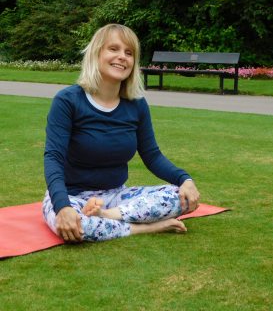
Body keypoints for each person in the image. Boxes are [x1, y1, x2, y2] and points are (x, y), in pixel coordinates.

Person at [43, 23, 200, 243]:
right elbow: (54, 158)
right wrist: (62, 207)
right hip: (73, 197)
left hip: (117, 199)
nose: (122, 57)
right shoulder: (68, 101)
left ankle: (107, 218)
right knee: (74, 225)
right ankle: (145, 228)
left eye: (129, 53)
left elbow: (152, 155)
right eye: (113, 49)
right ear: (97, 54)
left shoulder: (136, 105)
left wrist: (185, 179)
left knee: (179, 197)